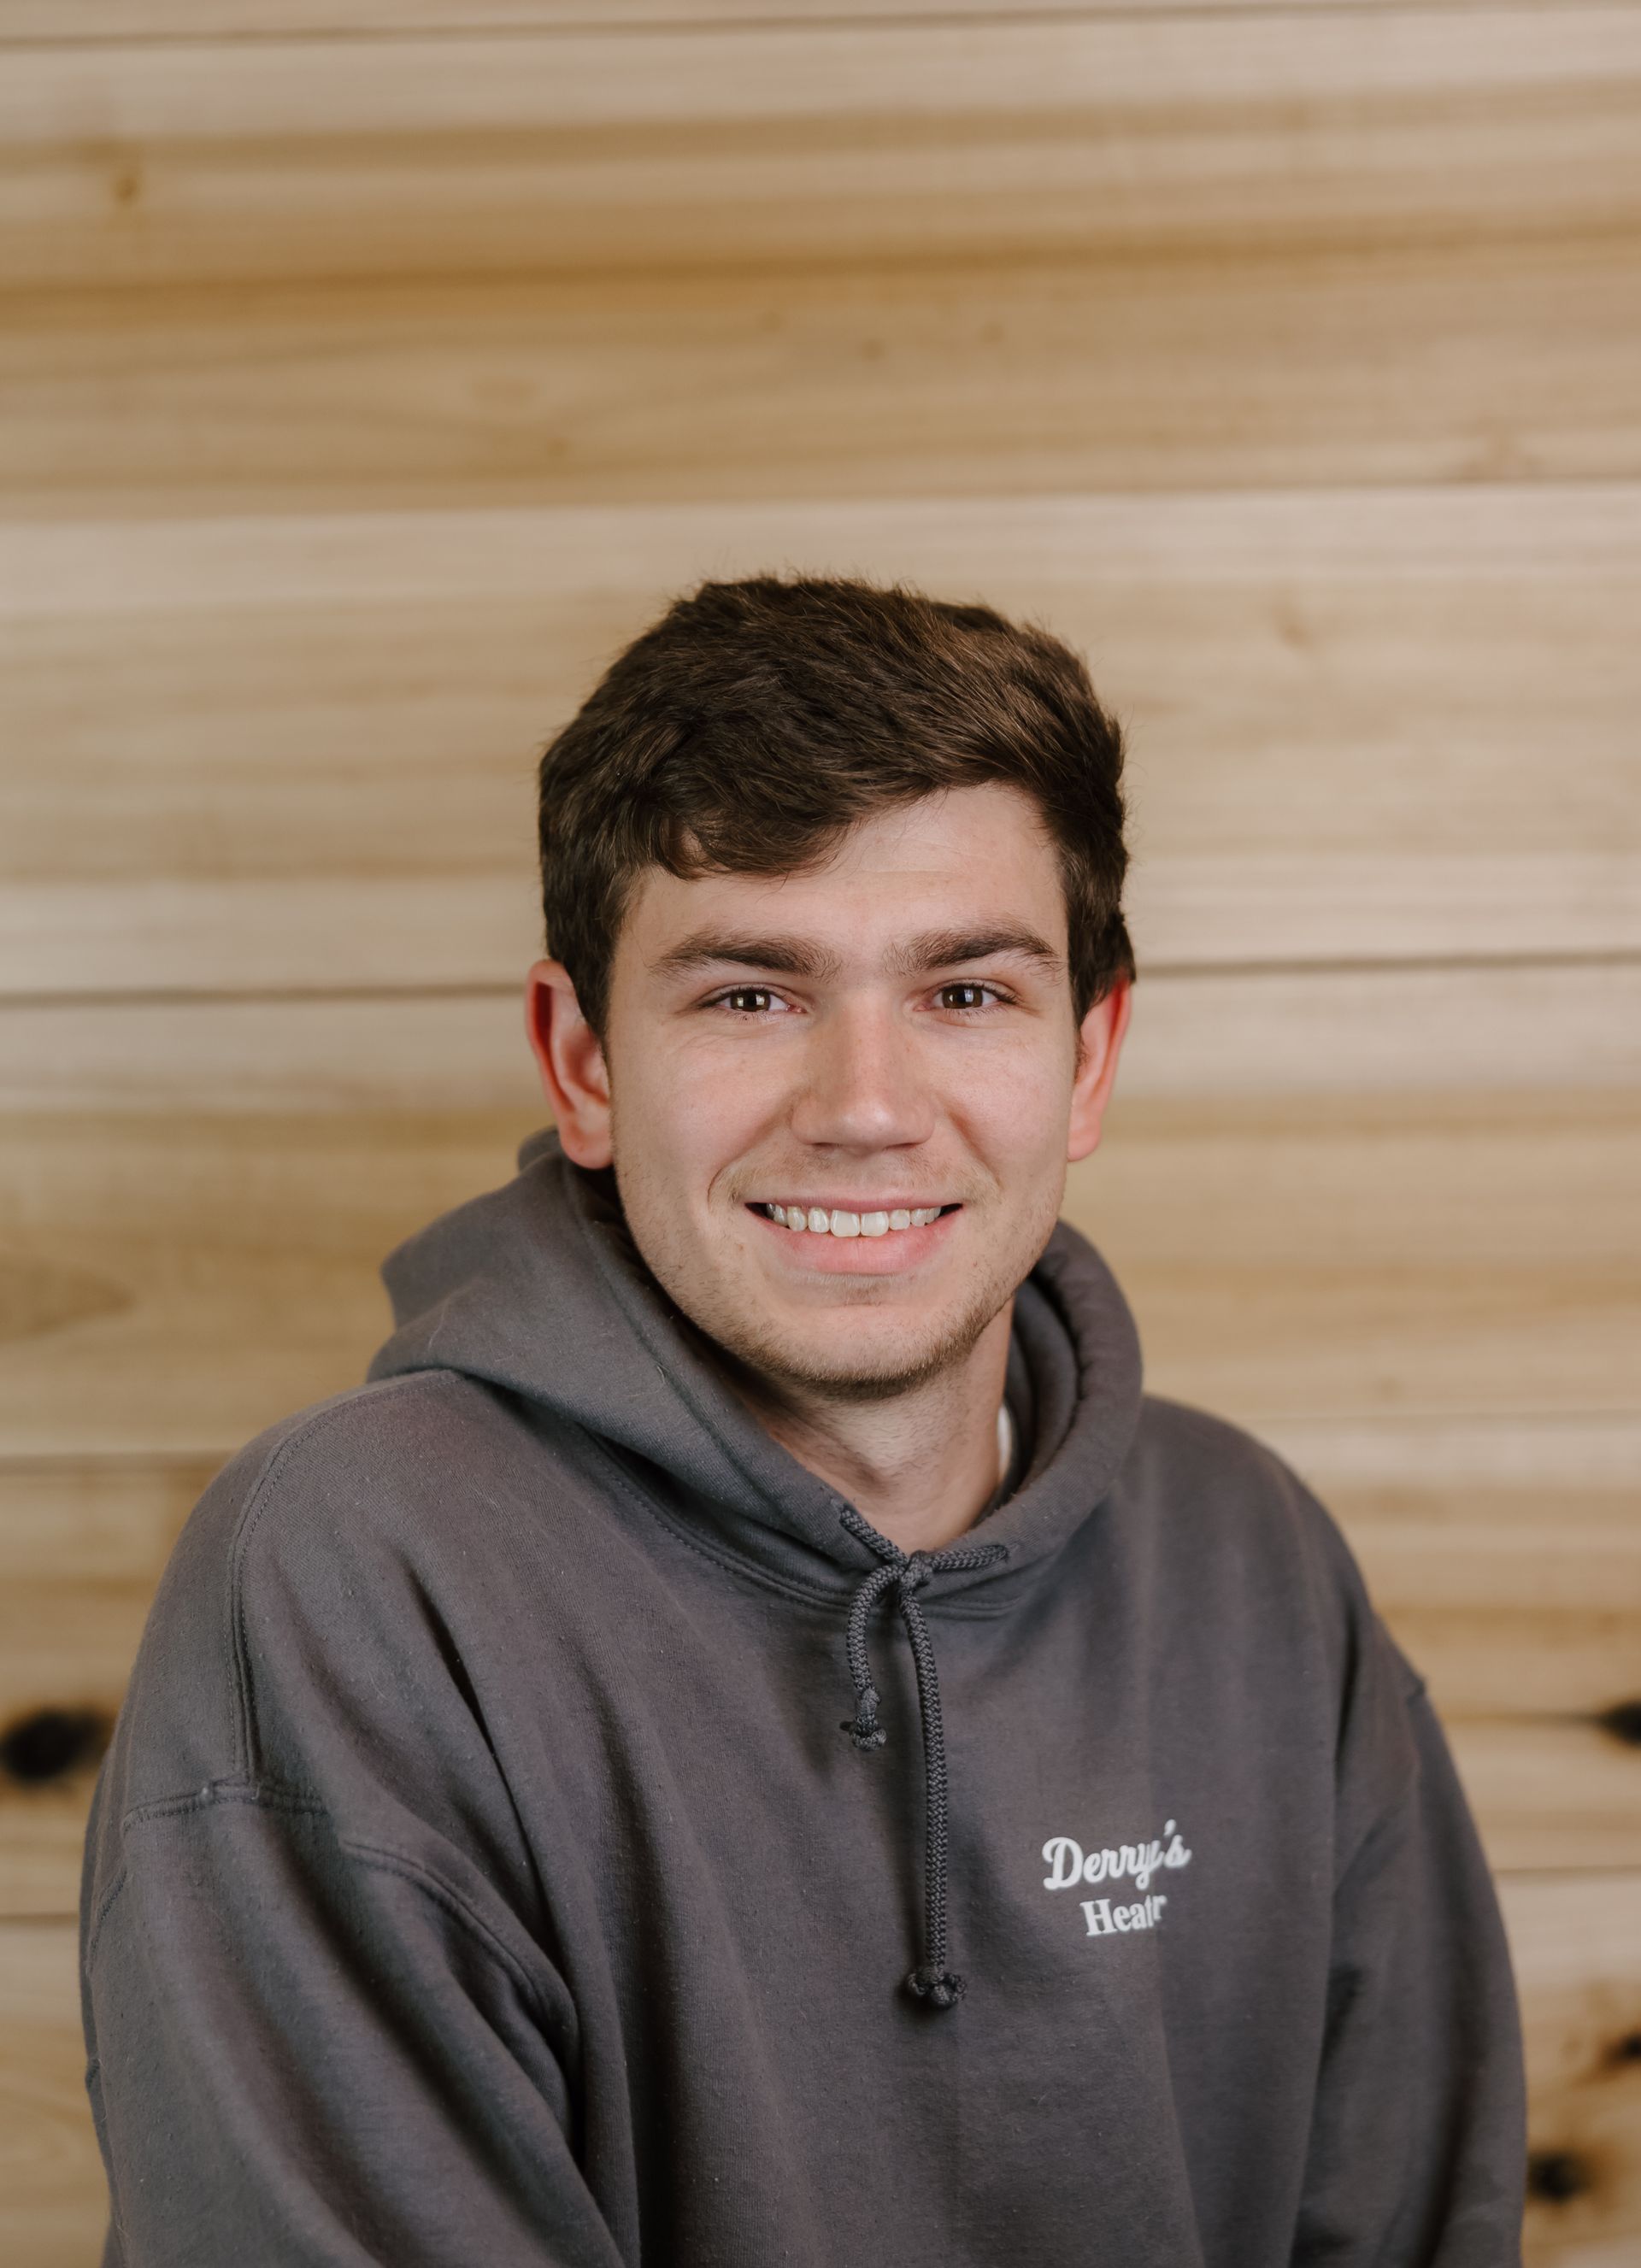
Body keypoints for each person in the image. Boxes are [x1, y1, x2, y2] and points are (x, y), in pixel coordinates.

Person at [79, 576, 1526, 2265]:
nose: (865, 1107)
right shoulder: (353, 1584)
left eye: (966, 992)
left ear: (1093, 1055)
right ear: (585, 1064)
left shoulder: (1253, 1560)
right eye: (750, 993)